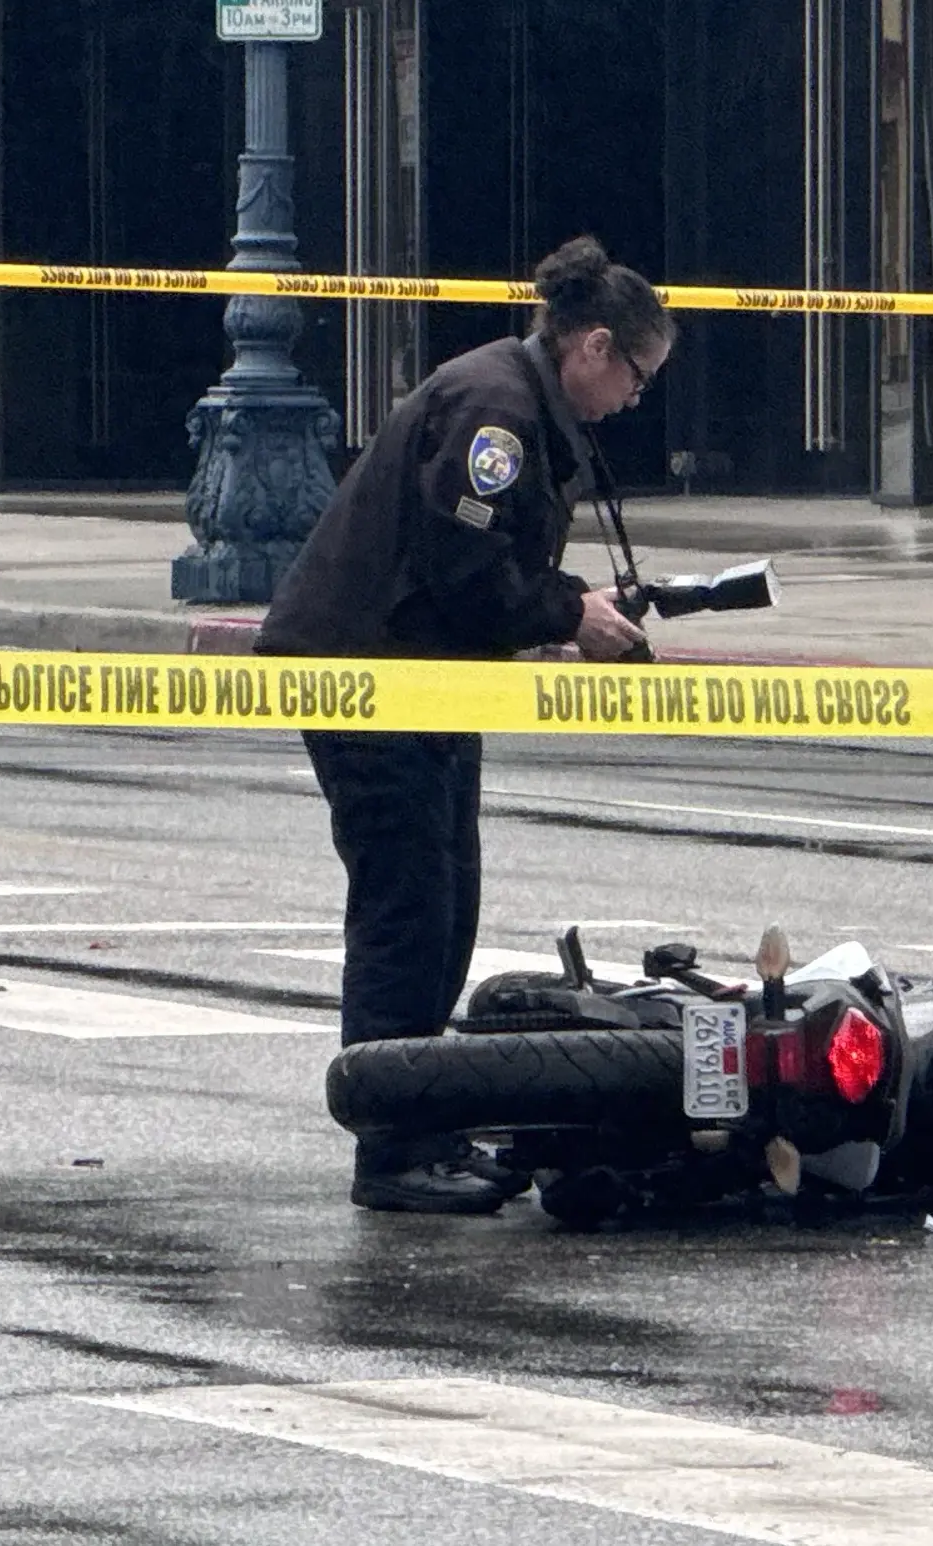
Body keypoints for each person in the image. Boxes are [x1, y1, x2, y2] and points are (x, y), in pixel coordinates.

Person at [256, 236, 674, 1214]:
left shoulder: (522, 401)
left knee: (446, 901)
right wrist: (567, 613)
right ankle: (393, 1149)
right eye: (638, 376)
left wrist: (575, 603)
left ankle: (427, 1121)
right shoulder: (497, 413)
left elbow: (486, 571)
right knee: (408, 908)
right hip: (373, 676)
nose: (635, 399)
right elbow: (464, 571)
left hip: (427, 679)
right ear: (595, 346)